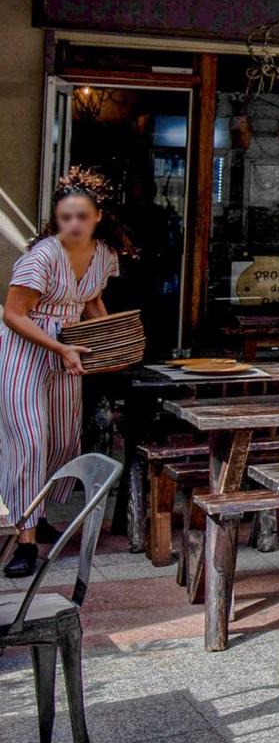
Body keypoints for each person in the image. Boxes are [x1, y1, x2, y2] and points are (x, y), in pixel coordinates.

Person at [0, 168, 132, 576]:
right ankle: (24, 541)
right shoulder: (42, 256)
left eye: (82, 216)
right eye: (65, 216)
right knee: (29, 442)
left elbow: (91, 301)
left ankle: (35, 515)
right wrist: (59, 346)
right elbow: (13, 314)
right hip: (26, 354)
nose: (73, 223)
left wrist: (111, 342)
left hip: (67, 354)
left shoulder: (103, 255)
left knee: (59, 440)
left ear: (98, 216)